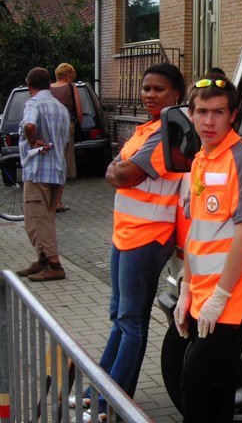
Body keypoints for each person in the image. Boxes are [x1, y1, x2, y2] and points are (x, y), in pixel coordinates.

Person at [75, 63, 186, 420]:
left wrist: (119, 169)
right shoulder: (145, 129)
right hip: (125, 234)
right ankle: (100, 389)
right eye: (146, 88)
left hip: (149, 237)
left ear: (176, 95)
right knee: (119, 315)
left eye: (158, 89)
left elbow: (123, 173)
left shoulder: (167, 133)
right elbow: (115, 170)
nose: (149, 94)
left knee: (131, 320)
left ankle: (113, 401)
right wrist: (118, 170)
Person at [173, 74, 242, 422]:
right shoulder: (201, 159)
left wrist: (221, 296)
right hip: (206, 292)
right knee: (217, 386)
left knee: (195, 383)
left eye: (218, 112)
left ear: (232, 115)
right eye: (202, 112)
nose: (209, 121)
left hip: (235, 297)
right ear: (190, 114)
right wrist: (186, 287)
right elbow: (197, 231)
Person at [15, 67, 70, 282]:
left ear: (29, 86)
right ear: (49, 85)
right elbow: (66, 142)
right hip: (57, 171)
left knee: (37, 221)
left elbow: (30, 125)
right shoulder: (61, 108)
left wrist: (32, 141)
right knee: (46, 217)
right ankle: (43, 260)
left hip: (38, 171)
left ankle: (54, 266)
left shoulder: (34, 103)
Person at [50, 63, 83, 212]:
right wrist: (78, 124)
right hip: (66, 127)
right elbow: (79, 111)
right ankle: (58, 202)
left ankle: (50, 199)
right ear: (68, 75)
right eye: (72, 76)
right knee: (63, 164)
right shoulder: (71, 88)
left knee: (52, 162)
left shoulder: (48, 89)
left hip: (50, 128)